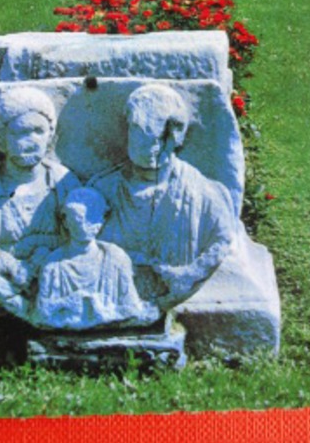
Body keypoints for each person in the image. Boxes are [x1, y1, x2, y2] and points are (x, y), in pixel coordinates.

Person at [93, 83, 236, 310]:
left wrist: (189, 273)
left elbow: (222, 239)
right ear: (128, 131)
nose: (149, 147)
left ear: (175, 139)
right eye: (139, 134)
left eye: (159, 138)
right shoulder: (103, 189)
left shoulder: (202, 191)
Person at [0, 86, 79, 317]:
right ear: (1, 138)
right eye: (20, 132)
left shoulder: (64, 182)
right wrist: (17, 302)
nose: (30, 141)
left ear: (50, 134)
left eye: (38, 131)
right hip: (7, 287)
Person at [33, 187, 159, 330]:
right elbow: (42, 313)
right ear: (66, 221)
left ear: (102, 220)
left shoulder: (115, 258)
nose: (84, 225)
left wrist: (101, 308)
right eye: (77, 219)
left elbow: (131, 307)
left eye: (92, 218)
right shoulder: (54, 264)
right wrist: (68, 302)